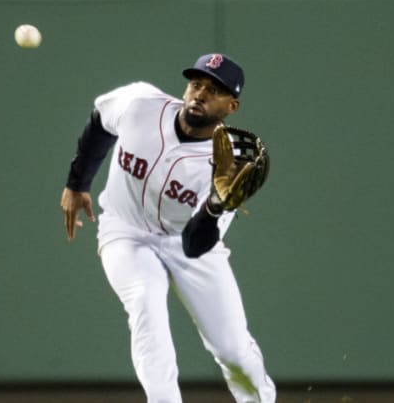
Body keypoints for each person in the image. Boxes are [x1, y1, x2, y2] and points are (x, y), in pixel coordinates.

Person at [60, 53, 276, 403]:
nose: (200, 94)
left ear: (231, 105)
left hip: (187, 242)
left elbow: (194, 245)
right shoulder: (141, 104)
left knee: (233, 348)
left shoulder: (229, 166)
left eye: (214, 90)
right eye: (196, 84)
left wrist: (216, 204)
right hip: (126, 231)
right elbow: (101, 120)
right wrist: (77, 183)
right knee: (145, 302)